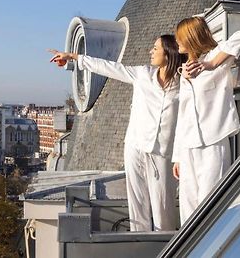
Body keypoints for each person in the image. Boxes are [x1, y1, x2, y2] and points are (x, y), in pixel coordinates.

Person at [49, 35, 185, 232]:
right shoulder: (143, 74)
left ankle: (167, 246)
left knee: (163, 204)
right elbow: (110, 67)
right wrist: (74, 57)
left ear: (169, 53)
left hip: (162, 152)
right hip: (135, 146)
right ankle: (141, 243)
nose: (151, 52)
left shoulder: (184, 83)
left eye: (155, 48)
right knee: (137, 202)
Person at [172, 16, 240, 224]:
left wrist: (209, 64)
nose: (176, 41)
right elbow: (183, 114)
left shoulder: (217, 57)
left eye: (179, 37)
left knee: (209, 203)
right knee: (188, 208)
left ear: (191, 37)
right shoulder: (185, 71)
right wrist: (177, 156)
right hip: (188, 146)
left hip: (213, 143)